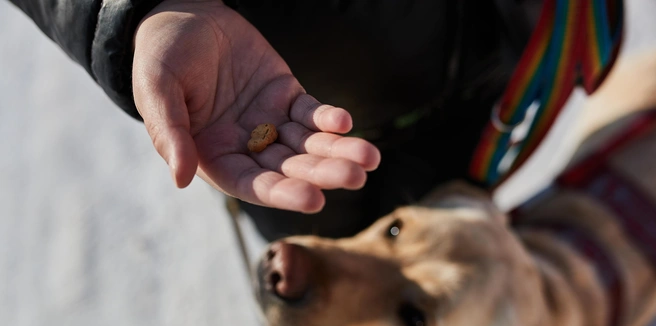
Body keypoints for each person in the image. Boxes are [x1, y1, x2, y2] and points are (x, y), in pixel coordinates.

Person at [7, 0, 539, 241]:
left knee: (448, 234)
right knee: (331, 271)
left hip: (498, 59)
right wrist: (133, 7)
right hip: (276, 102)